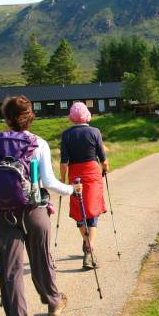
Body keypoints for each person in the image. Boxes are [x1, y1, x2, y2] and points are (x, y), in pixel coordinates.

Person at [0, 96, 81, 316]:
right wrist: (71, 190)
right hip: (35, 209)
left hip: (5, 213)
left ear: (6, 118)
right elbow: (48, 182)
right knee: (41, 259)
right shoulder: (39, 143)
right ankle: (53, 302)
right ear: (30, 117)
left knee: (10, 268)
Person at [58, 102, 110, 270]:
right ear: (87, 115)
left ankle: (87, 244)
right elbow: (103, 159)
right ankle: (89, 250)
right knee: (92, 212)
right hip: (92, 174)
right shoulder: (95, 132)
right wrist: (105, 169)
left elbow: (64, 162)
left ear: (72, 117)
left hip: (75, 175)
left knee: (80, 212)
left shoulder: (66, 135)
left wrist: (63, 178)